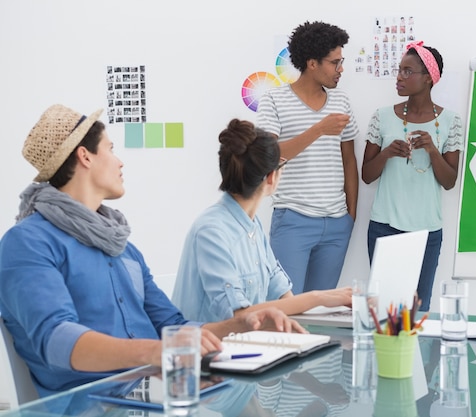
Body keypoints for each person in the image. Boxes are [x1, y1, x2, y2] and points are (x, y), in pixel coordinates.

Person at [0, 104, 303, 397]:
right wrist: (156, 352)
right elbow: (56, 340)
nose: (120, 162)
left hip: (153, 394)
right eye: (111, 148)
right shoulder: (27, 242)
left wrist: (241, 326)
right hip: (90, 405)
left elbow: (174, 327)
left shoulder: (123, 248)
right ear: (85, 157)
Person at [172, 118, 352, 324]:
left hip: (246, 343)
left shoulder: (251, 224)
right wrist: (317, 297)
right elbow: (239, 315)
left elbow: (278, 285)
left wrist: (309, 321)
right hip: (206, 351)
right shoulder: (211, 231)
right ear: (270, 177)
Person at [256, 21, 359, 294]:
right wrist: (318, 130)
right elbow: (268, 157)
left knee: (321, 312)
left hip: (337, 223)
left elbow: (349, 160)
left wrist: (351, 215)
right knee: (286, 309)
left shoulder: (341, 101)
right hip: (293, 221)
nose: (341, 69)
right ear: (312, 63)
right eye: (334, 62)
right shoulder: (274, 100)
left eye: (342, 61)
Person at [361, 41, 464, 311]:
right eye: (399, 70)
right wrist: (385, 154)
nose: (399, 77)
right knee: (385, 310)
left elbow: (450, 181)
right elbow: (367, 176)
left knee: (418, 311)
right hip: (384, 227)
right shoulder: (382, 117)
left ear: (429, 78)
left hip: (427, 231)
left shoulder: (451, 121)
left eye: (408, 72)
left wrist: (432, 149)